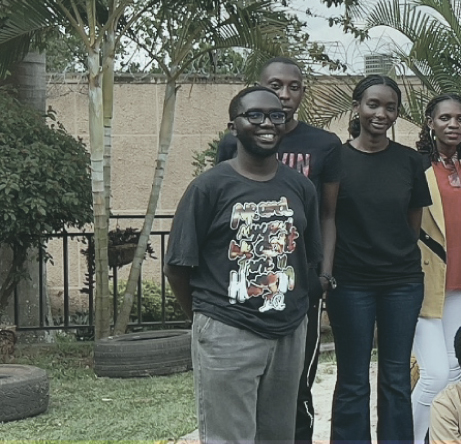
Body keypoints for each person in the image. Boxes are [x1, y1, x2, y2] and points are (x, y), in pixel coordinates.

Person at [166, 86, 321, 444]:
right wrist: (208, 320)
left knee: (278, 437)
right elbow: (177, 267)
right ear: (233, 127)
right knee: (230, 438)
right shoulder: (209, 187)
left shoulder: (300, 187)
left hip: (287, 332)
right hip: (228, 330)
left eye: (276, 115)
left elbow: (308, 258)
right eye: (255, 115)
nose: (267, 123)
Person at [211, 56, 339, 444]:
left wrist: (323, 275)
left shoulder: (324, 145)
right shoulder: (234, 142)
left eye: (294, 87)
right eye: (275, 86)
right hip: (244, 288)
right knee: (242, 394)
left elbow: (328, 215)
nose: (284, 94)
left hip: (299, 285)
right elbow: (223, 209)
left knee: (295, 389)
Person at [321, 74, 432, 444]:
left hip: (402, 284)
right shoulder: (337, 159)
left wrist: (394, 254)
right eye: (373, 104)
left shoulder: (410, 162)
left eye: (390, 107)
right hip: (350, 284)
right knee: (353, 380)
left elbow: (412, 223)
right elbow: (328, 217)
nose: (381, 113)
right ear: (357, 107)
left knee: (396, 378)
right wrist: (326, 274)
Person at [413, 94, 461, 443]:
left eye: (460, 118)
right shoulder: (415, 165)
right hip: (424, 282)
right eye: (445, 118)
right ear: (430, 122)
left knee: (454, 371)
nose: (453, 124)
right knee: (435, 374)